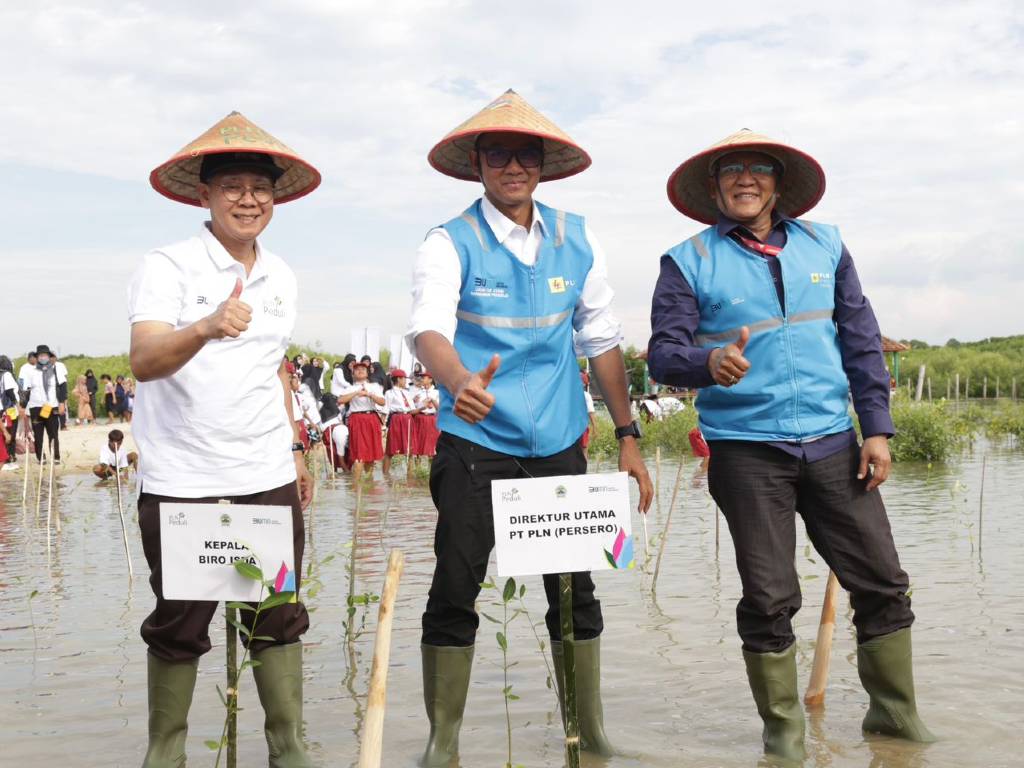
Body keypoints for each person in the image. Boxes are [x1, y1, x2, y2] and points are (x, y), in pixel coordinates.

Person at [648, 129, 934, 761]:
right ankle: (783, 739)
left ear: (778, 184)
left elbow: (861, 339)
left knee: (884, 582)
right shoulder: (686, 260)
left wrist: (877, 429)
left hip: (835, 443)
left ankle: (894, 725)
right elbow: (665, 354)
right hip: (746, 450)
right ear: (715, 186)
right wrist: (709, 362)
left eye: (758, 169)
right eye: (731, 170)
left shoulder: (825, 245)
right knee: (771, 596)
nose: (744, 179)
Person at [408, 89, 653, 764]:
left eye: (524, 154)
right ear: (478, 164)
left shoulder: (577, 240)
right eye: (497, 154)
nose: (512, 166)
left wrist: (627, 435)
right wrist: (458, 382)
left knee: (574, 590)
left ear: (541, 164)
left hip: (557, 447)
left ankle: (589, 735)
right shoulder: (448, 241)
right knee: (456, 586)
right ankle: (444, 743)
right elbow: (428, 327)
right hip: (475, 442)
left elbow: (600, 339)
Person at [128, 110, 321, 768]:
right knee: (180, 626)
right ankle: (165, 755)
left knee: (276, 619)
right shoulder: (168, 265)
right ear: (203, 195)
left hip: (264, 475)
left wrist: (295, 448)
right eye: (232, 186)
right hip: (184, 480)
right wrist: (206, 326)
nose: (248, 199)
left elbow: (271, 368)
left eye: (260, 188)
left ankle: (288, 752)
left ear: (276, 197)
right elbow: (144, 359)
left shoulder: (283, 275)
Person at [337, 360, 385, 482]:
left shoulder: (374, 386)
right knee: (359, 455)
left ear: (367, 373)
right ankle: (355, 487)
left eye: (363, 369)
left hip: (372, 418)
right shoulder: (350, 388)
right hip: (357, 419)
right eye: (357, 369)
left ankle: (369, 486)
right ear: (353, 374)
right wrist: (356, 393)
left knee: (371, 455)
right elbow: (340, 400)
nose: (360, 371)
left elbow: (382, 402)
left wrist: (369, 395)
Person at [22, 344, 67, 464]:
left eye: (45, 355)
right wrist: (22, 407)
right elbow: (25, 390)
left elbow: (63, 387)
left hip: (51, 406)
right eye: (40, 355)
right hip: (35, 406)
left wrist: (62, 403)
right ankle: (41, 457)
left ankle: (56, 457)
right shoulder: (30, 371)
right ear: (37, 357)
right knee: (38, 434)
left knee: (53, 432)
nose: (43, 358)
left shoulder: (56, 370)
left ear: (49, 356)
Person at [382, 369, 417, 477]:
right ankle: (386, 475)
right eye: (404, 379)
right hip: (396, 419)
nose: (405, 381)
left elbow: (412, 409)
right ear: (398, 379)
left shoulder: (407, 393)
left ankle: (410, 476)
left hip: (408, 419)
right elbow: (385, 410)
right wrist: (382, 426)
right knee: (390, 449)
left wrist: (424, 407)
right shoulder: (389, 393)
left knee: (410, 450)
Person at [410, 371, 439, 459]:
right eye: (421, 378)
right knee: (417, 442)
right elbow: (413, 407)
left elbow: (439, 409)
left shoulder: (437, 392)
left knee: (431, 442)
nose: (421, 379)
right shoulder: (418, 393)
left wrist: (433, 400)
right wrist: (415, 400)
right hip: (419, 418)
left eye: (424, 377)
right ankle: (417, 466)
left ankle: (430, 466)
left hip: (431, 419)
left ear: (430, 379)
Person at [0, 355, 20, 463]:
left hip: (1, 409)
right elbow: (9, 392)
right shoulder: (7, 375)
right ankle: (10, 455)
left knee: (2, 433)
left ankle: (5, 455)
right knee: (11, 432)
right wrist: (18, 405)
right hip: (9, 409)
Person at [580, 371, 598, 456]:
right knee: (584, 451)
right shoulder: (586, 395)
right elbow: (591, 412)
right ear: (584, 384)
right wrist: (595, 428)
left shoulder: (567, 394)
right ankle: (584, 469)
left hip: (569, 429)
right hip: (582, 428)